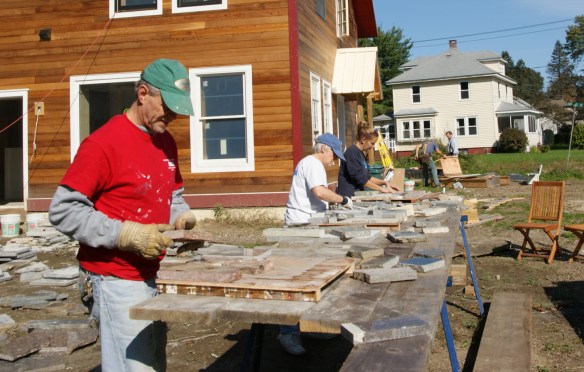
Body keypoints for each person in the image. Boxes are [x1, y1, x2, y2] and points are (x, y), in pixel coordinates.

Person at [48, 58, 199, 371]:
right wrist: (126, 234)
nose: (173, 115)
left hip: (150, 273)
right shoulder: (103, 144)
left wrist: (182, 218)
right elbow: (62, 210)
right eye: (167, 105)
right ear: (143, 93)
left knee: (153, 363)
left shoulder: (165, 141)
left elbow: (171, 195)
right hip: (112, 276)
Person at [280, 133, 352, 355]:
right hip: (300, 228)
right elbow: (319, 192)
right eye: (333, 155)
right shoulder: (313, 164)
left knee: (310, 278)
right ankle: (287, 332)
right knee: (297, 281)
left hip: (305, 225)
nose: (334, 161)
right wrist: (344, 200)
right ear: (324, 149)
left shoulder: (309, 163)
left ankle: (306, 325)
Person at [337, 121, 400, 197]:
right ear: (363, 139)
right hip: (347, 198)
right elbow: (361, 180)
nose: (373, 147)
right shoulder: (352, 153)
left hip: (356, 196)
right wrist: (382, 189)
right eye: (372, 143)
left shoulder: (361, 154)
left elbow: (367, 178)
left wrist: (385, 182)